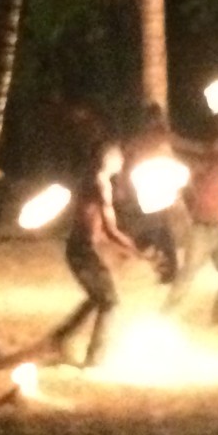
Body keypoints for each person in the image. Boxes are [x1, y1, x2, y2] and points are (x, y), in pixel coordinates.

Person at [50, 140, 145, 368]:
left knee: (99, 298)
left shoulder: (93, 180)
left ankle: (62, 337)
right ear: (109, 159)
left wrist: (122, 247)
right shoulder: (101, 184)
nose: (122, 161)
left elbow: (97, 227)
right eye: (119, 157)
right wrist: (131, 247)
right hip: (82, 249)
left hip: (80, 247)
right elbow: (109, 229)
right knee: (110, 302)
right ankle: (95, 359)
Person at [163, 114, 218, 327]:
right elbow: (177, 148)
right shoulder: (197, 165)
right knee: (187, 275)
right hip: (201, 230)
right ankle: (164, 318)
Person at [117, 103, 203, 284]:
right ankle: (165, 267)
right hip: (148, 188)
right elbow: (126, 158)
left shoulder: (148, 139)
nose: (158, 122)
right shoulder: (149, 139)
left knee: (160, 229)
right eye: (156, 119)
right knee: (157, 229)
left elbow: (188, 146)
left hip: (155, 188)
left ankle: (167, 269)